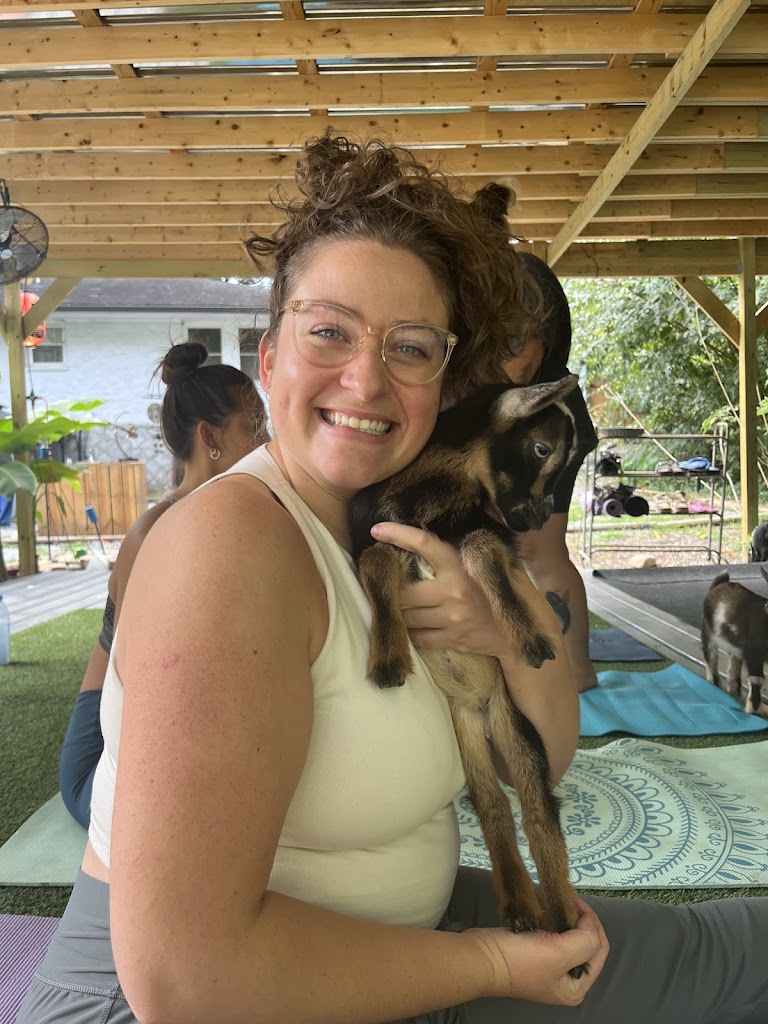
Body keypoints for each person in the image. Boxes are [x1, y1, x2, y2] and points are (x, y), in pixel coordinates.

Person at [17, 132, 768, 1024]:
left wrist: (502, 637)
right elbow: (184, 979)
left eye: (410, 346)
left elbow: (543, 756)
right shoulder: (229, 544)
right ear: (270, 358)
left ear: (445, 381)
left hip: (396, 945)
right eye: (329, 331)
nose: (367, 377)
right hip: (196, 1002)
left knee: (735, 951)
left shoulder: (407, 524)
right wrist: (491, 961)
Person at [57, 340, 264, 829]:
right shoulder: (156, 532)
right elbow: (157, 696)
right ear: (210, 436)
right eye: (255, 427)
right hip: (98, 758)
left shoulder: (233, 515)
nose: (268, 441)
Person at [500, 250, 599, 693]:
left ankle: (576, 672)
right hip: (548, 426)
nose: (497, 358)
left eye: (513, 343)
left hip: (552, 431)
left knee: (539, 551)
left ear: (547, 337)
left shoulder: (545, 396)